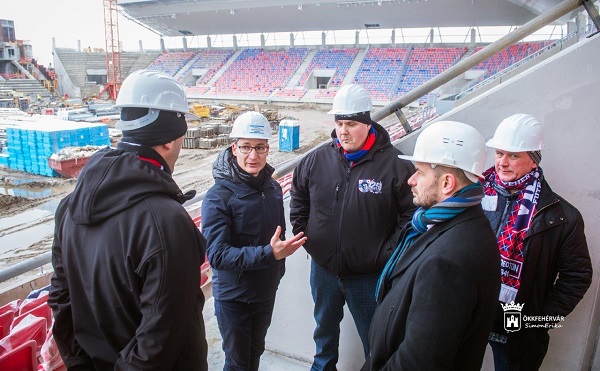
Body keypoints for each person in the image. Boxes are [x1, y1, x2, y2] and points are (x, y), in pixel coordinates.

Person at [48, 69, 209, 370]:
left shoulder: (69, 206)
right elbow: (159, 337)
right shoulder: (168, 222)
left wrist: (80, 364)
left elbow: (61, 299)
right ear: (170, 141)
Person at [290, 84, 416, 370]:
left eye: (350, 124)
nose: (342, 131)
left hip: (369, 276)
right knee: (324, 331)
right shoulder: (317, 159)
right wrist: (304, 232)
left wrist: (385, 254)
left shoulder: (394, 164)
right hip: (323, 270)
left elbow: (411, 214)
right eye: (338, 123)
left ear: (368, 123)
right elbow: (298, 194)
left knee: (376, 339)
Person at [362, 120, 501, 371]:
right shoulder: (452, 224)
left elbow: (419, 361)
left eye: (420, 172)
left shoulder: (447, 263)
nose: (411, 180)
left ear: (447, 183)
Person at [483, 113, 593, 370]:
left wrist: (536, 321)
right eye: (499, 153)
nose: (503, 163)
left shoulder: (562, 216)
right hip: (470, 310)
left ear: (534, 161)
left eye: (514, 155)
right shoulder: (473, 195)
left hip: (515, 318)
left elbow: (577, 276)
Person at [201, 111, 307, 371]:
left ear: (268, 149)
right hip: (234, 299)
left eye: (259, 148)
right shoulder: (218, 197)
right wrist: (270, 255)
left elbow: (276, 236)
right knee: (237, 363)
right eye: (246, 147)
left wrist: (277, 260)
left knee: (255, 353)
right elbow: (216, 255)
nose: (253, 155)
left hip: (265, 291)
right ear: (234, 148)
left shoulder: (271, 189)